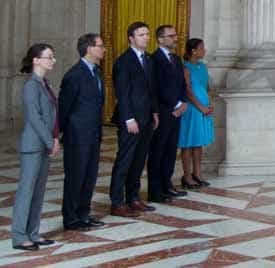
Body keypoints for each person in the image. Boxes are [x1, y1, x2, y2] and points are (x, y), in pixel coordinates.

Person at [12, 43, 59, 251]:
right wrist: (50, 142)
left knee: (38, 193)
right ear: (36, 60)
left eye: (53, 57)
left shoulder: (44, 83)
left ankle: (33, 233)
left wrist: (55, 139)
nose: (53, 60)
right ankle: (20, 236)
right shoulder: (31, 85)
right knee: (26, 192)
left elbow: (51, 116)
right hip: (33, 146)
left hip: (44, 145)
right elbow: (35, 118)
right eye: (49, 57)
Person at [58, 33, 107, 231]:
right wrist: (59, 134)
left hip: (94, 134)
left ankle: (83, 214)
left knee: (90, 176)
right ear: (89, 49)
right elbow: (64, 108)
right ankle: (70, 218)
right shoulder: (74, 75)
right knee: (75, 177)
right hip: (77, 136)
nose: (104, 49)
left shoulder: (97, 72)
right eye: (100, 46)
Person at [110, 21, 158, 217]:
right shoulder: (123, 61)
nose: (146, 38)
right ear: (131, 38)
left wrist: (154, 112)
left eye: (147, 34)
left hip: (147, 118)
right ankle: (117, 202)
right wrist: (129, 119)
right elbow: (122, 93)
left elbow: (151, 90)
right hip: (130, 120)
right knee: (125, 160)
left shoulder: (148, 59)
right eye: (141, 35)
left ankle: (133, 198)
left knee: (139, 161)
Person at [148, 25, 188, 203]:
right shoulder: (154, 59)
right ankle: (155, 191)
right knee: (158, 150)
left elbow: (182, 84)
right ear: (160, 39)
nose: (175, 39)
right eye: (171, 36)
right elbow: (157, 87)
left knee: (171, 150)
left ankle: (167, 185)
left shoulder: (176, 59)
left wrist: (183, 102)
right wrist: (176, 103)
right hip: (163, 111)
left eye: (175, 35)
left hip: (177, 112)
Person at [179, 38, 214, 188]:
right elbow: (187, 90)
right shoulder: (185, 67)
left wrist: (210, 103)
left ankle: (197, 173)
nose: (204, 50)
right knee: (188, 143)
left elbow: (206, 87)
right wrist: (200, 107)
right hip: (192, 109)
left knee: (198, 142)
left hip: (204, 107)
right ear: (193, 50)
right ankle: (186, 176)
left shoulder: (203, 66)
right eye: (202, 48)